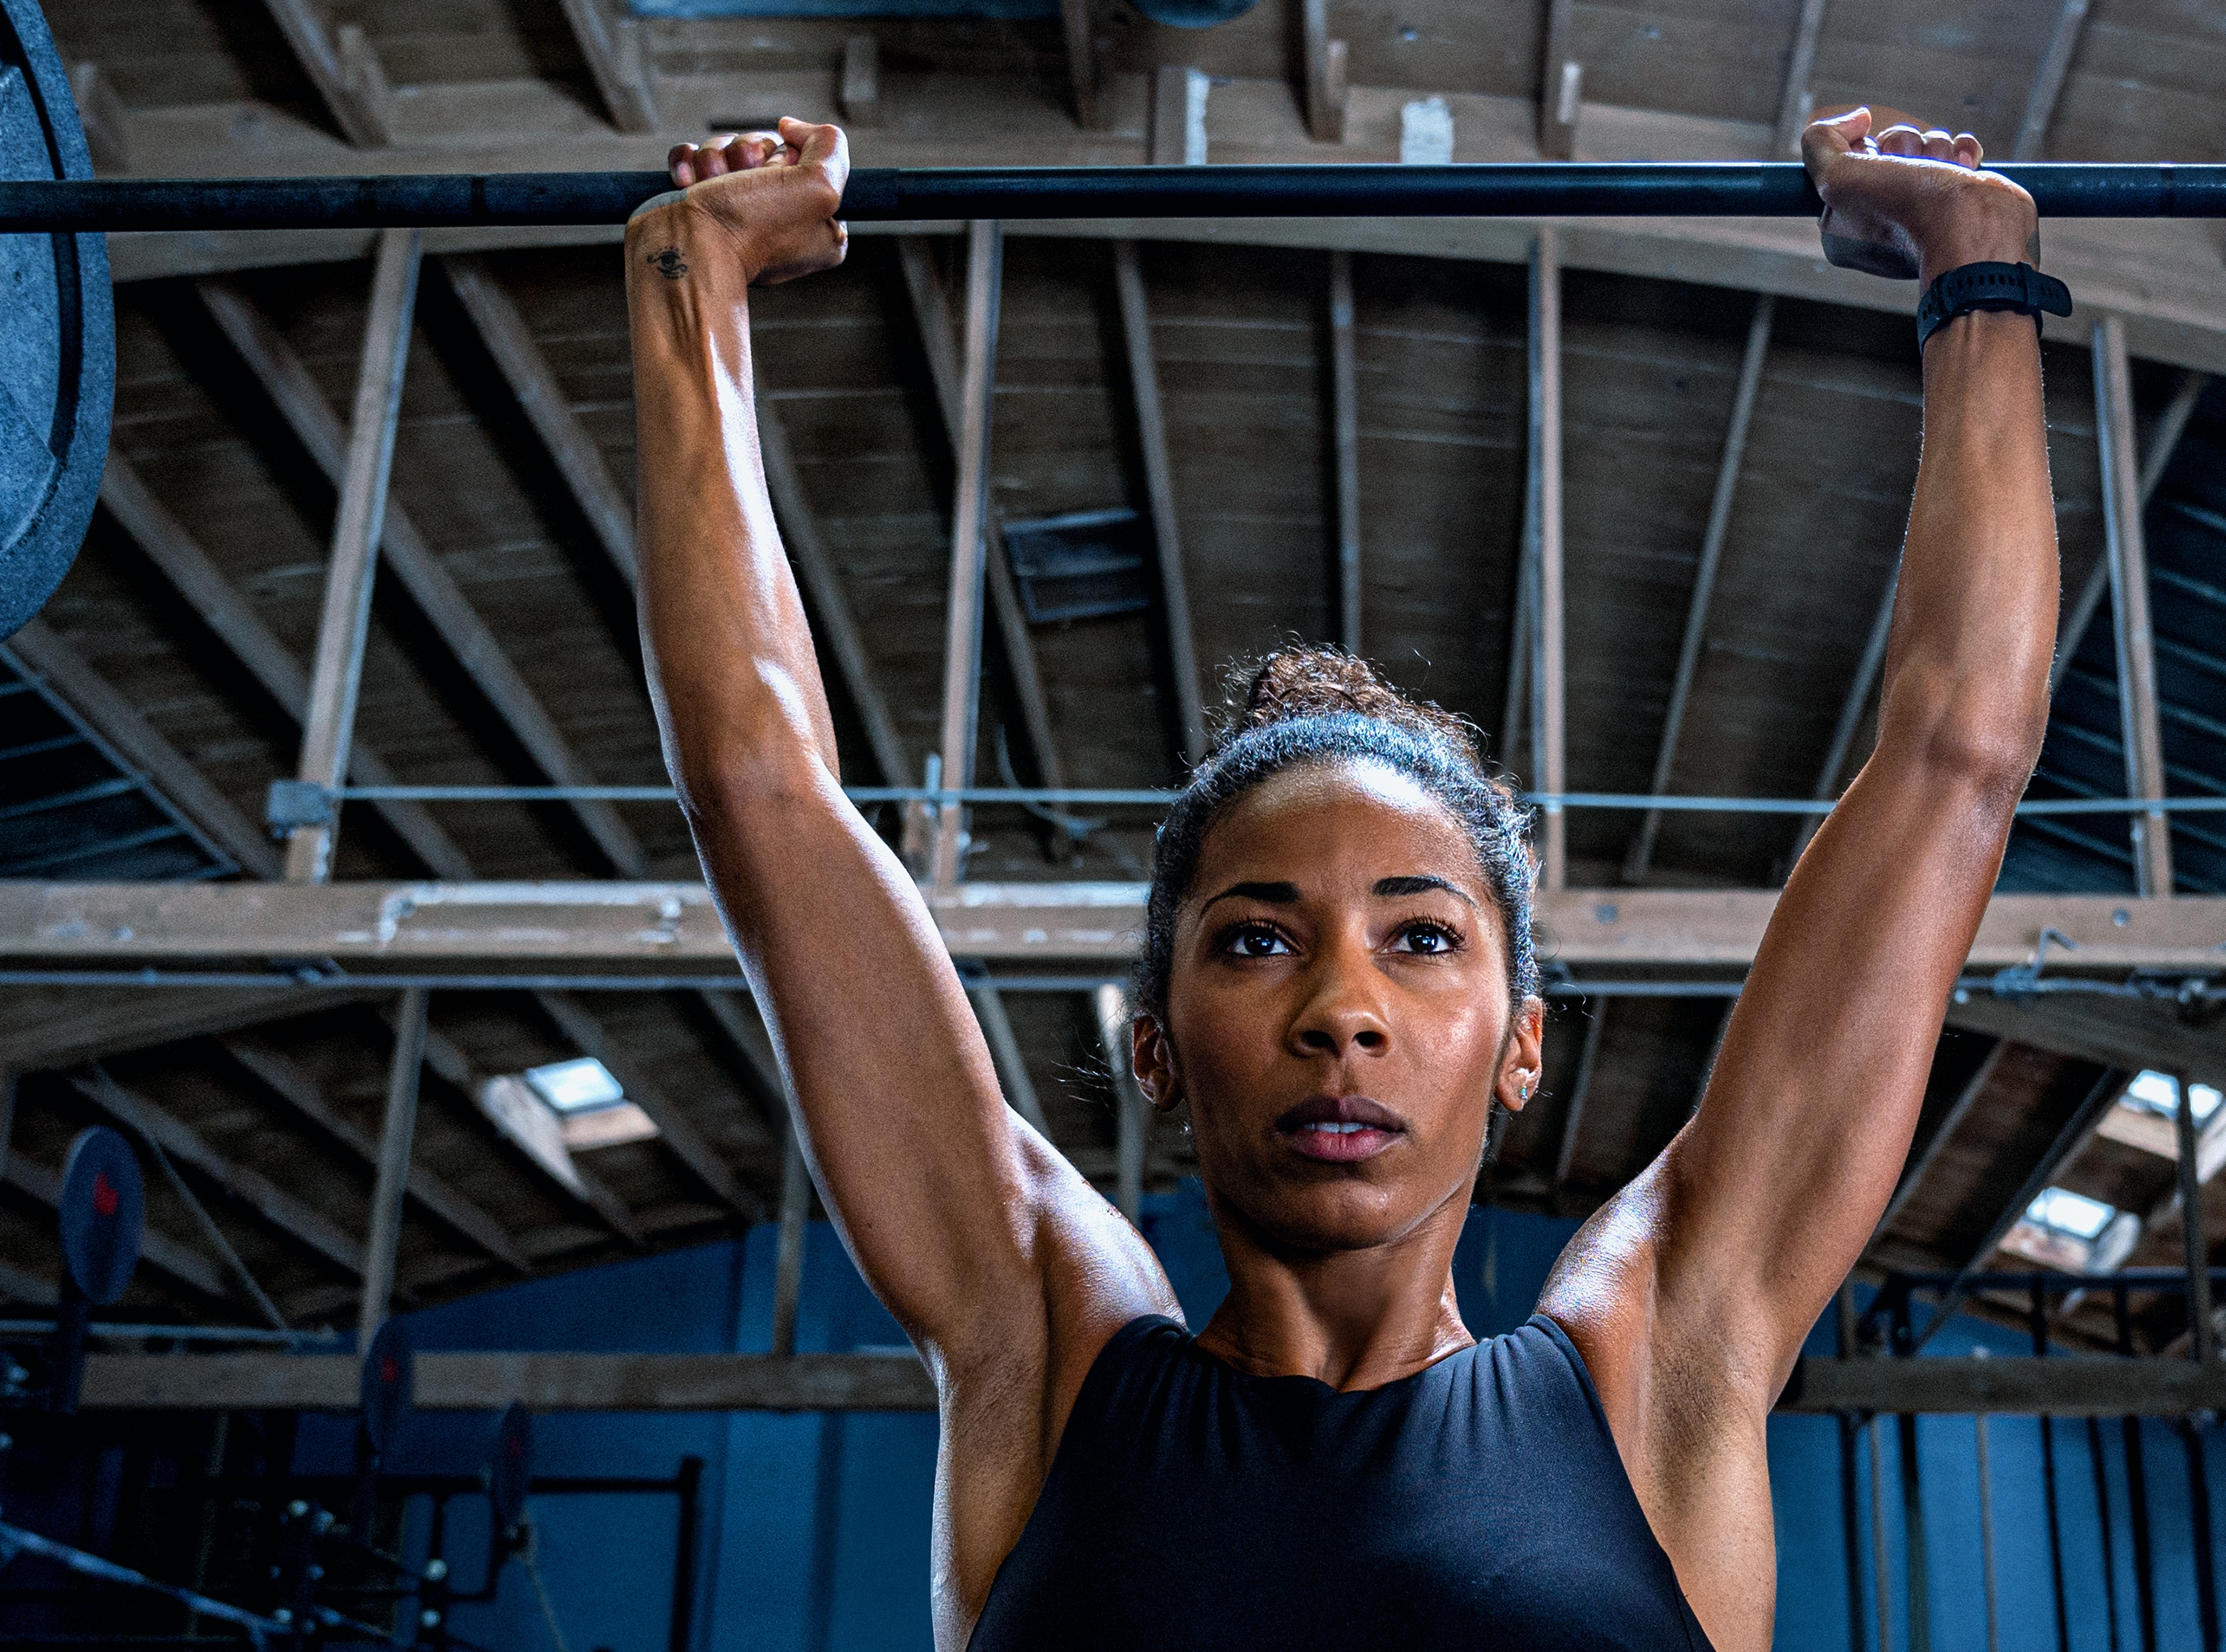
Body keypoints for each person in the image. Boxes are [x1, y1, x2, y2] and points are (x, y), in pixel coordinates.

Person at [626, 107, 2055, 1650]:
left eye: (1423, 936)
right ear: (1154, 1046)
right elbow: (760, 791)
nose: (1341, 1012)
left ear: (1522, 1043)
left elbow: (1955, 764)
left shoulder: (1664, 1369)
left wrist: (1978, 268)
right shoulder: (1041, 1355)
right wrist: (688, 283)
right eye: (1252, 943)